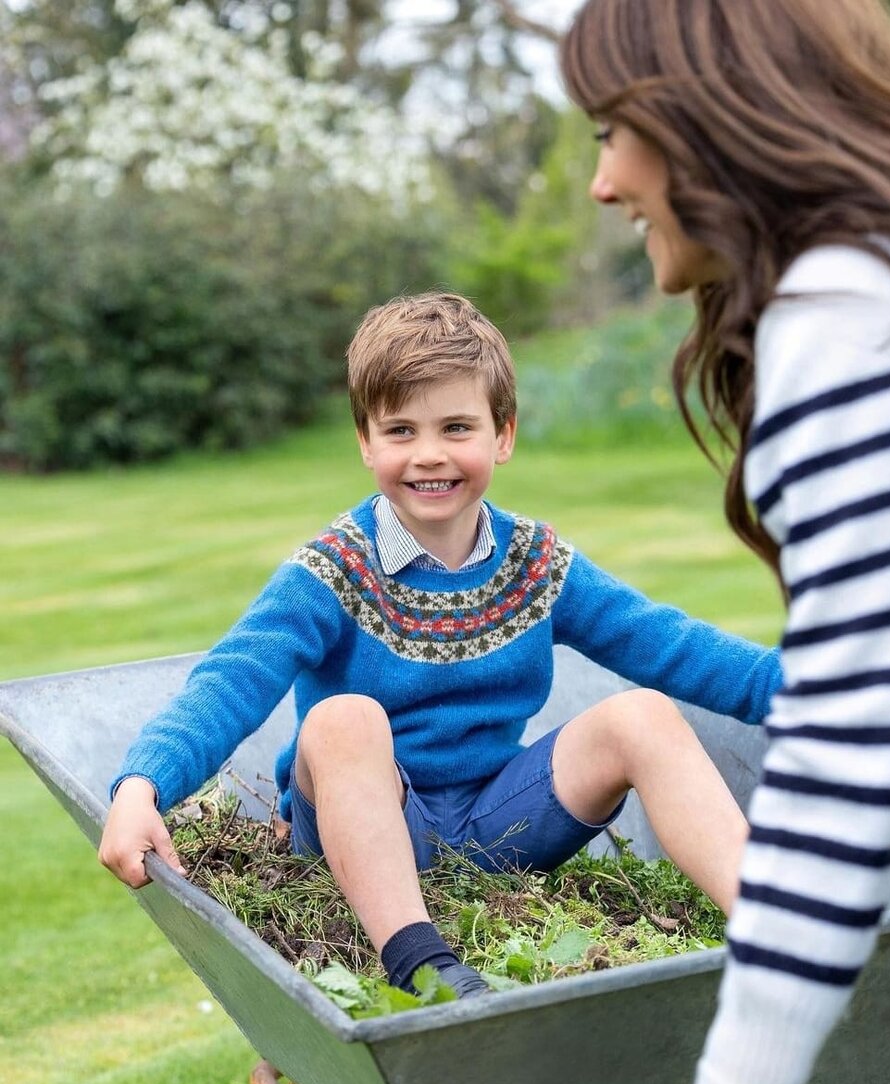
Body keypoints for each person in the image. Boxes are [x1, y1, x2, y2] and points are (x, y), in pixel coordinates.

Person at [560, 0, 890, 1084]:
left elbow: (847, 772)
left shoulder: (855, 324)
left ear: (707, 123)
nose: (604, 183)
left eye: (615, 131)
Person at [99, 290, 782, 1002]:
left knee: (642, 713)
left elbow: (669, 645)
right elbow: (233, 678)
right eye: (400, 430)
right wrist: (143, 783)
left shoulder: (535, 562)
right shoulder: (334, 569)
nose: (429, 455)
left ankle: (772, 931)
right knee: (342, 719)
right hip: (360, 829)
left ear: (503, 435)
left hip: (498, 821)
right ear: (365, 441)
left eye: (457, 426)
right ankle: (422, 964)